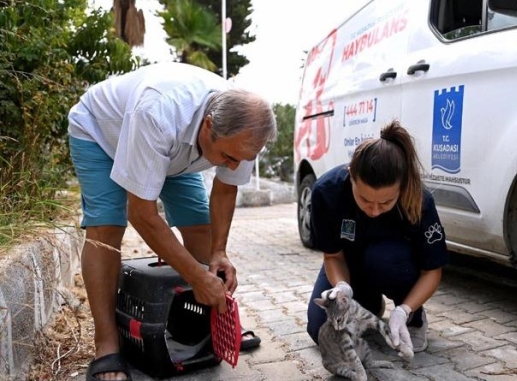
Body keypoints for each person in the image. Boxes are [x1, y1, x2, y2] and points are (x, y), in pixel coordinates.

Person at [67, 62, 277, 381]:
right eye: (228, 157)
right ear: (208, 125)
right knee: (106, 227)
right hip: (101, 135)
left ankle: (214, 321)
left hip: (176, 155)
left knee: (200, 226)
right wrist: (196, 274)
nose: (233, 165)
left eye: (241, 160)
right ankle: (107, 345)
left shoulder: (245, 133)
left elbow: (225, 189)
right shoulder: (158, 111)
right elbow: (142, 214)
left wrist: (219, 253)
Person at [306, 119, 448, 355]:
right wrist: (342, 287)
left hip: (392, 266)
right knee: (319, 328)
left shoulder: (419, 201)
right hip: (348, 266)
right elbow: (332, 255)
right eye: (364, 199)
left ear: (401, 188)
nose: (373, 210)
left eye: (385, 202)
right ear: (351, 176)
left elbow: (432, 271)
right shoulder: (326, 192)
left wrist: (404, 309)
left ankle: (412, 319)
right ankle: (368, 304)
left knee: (383, 258)